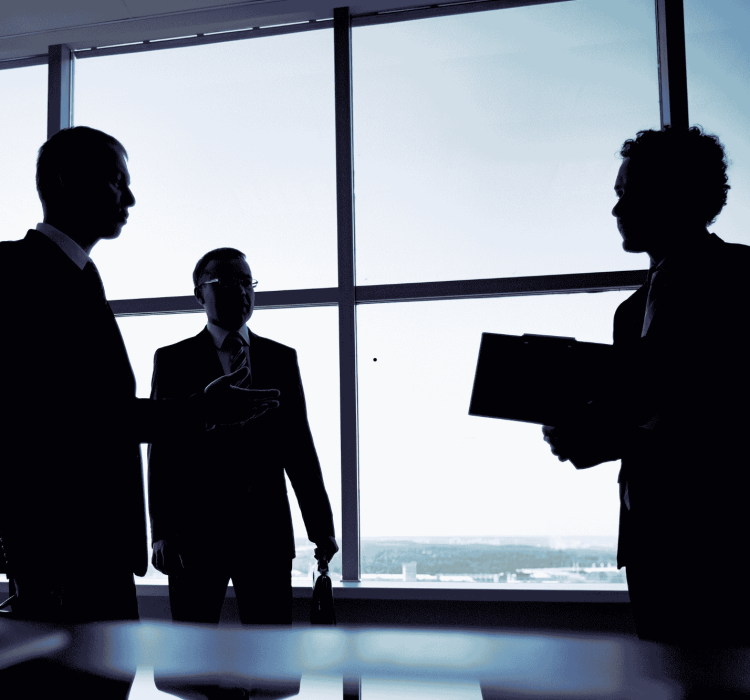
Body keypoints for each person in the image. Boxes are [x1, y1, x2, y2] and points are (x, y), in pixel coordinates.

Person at [0, 127, 279, 698]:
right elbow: (41, 423)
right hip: (60, 563)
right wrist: (27, 558)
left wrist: (203, 410)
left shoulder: (80, 276)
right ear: (61, 182)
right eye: (116, 182)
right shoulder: (17, 272)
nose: (129, 200)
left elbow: (98, 414)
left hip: (91, 557)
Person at [542, 125, 750, 648]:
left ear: (675, 195)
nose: (616, 210)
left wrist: (606, 432)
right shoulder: (630, 311)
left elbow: (715, 414)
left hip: (725, 540)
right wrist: (581, 437)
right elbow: (642, 414)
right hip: (651, 544)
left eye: (627, 194)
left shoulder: (742, 278)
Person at [147, 247, 338, 631]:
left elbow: (299, 447)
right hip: (193, 537)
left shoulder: (281, 358)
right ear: (199, 293)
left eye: (245, 280)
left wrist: (321, 527)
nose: (240, 290)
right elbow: (161, 449)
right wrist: (162, 532)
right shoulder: (172, 360)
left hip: (265, 533)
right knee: (192, 661)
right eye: (226, 281)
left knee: (271, 662)